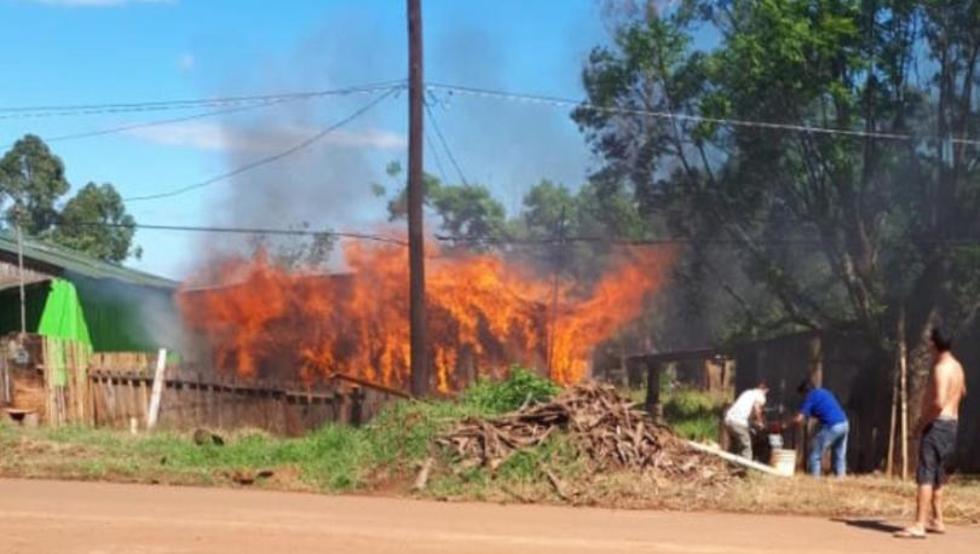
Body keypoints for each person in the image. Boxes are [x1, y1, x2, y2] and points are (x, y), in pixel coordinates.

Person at [896, 327, 967, 539]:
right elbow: (962, 391)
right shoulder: (957, 367)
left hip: (938, 424)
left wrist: (921, 423)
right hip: (951, 424)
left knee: (926, 473)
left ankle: (919, 524)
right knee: (937, 472)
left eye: (929, 342)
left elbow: (938, 402)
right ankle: (937, 519)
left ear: (934, 344)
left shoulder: (941, 368)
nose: (928, 345)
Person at [792, 379, 849, 478]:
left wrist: (786, 424)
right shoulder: (824, 392)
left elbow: (799, 418)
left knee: (815, 455)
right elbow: (821, 410)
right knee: (840, 454)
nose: (803, 397)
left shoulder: (810, 396)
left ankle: (815, 480)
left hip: (833, 425)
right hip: (844, 423)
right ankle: (841, 478)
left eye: (802, 395)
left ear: (805, 391)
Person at [724, 381, 768, 460]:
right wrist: (760, 422)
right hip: (738, 422)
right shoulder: (760, 396)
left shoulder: (747, 393)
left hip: (728, 420)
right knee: (746, 446)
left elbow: (747, 415)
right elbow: (757, 409)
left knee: (735, 446)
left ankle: (730, 465)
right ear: (766, 390)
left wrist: (754, 423)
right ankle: (745, 469)